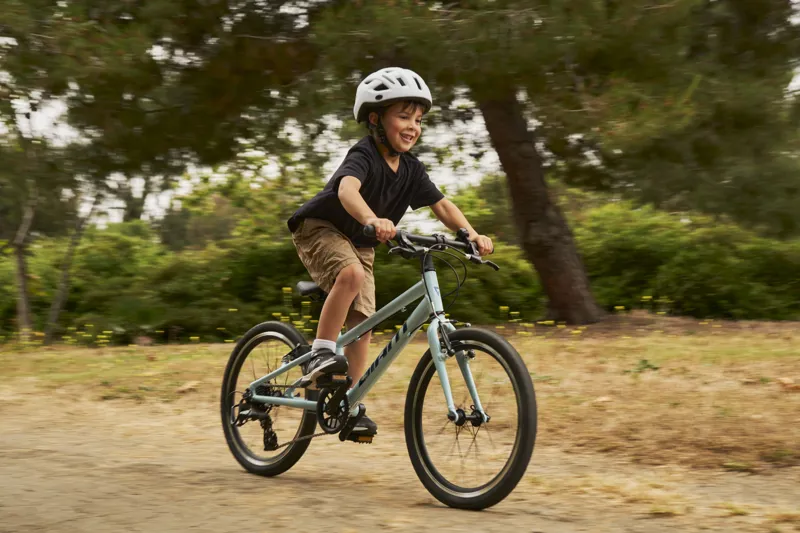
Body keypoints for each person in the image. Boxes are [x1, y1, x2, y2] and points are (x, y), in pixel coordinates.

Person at [287, 67, 494, 438]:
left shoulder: (412, 169)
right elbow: (347, 191)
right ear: (375, 118)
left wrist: (470, 233)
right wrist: (373, 218)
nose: (413, 126)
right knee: (349, 275)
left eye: (418, 119)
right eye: (403, 116)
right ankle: (320, 352)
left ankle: (346, 402)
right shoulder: (364, 154)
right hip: (321, 227)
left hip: (362, 242)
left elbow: (442, 205)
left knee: (363, 321)